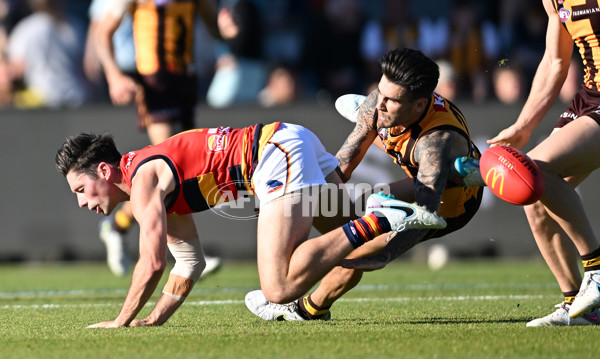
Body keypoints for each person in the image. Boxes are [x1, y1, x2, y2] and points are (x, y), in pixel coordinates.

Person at [55, 121, 445, 328]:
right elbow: (189, 263)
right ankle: (450, 174)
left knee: (277, 286)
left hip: (273, 155)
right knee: (354, 252)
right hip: (286, 141)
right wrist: (152, 320)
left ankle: (379, 217)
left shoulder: (141, 182)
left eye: (81, 189)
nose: (81, 202)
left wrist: (121, 321)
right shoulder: (150, 184)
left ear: (104, 170)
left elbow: (152, 262)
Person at [245, 48, 484, 321]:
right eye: (380, 92)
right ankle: (301, 298)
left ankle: (304, 309)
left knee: (357, 241)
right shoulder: (377, 104)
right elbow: (339, 170)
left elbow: (426, 217)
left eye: (391, 100)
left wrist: (387, 254)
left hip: (447, 204)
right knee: (348, 214)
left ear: (419, 105)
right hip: (420, 178)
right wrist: (282, 196)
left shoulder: (435, 143)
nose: (379, 103)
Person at [487, 0, 600, 326]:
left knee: (532, 169)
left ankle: (596, 268)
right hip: (589, 98)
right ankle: (580, 304)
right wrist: (523, 125)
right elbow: (554, 61)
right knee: (529, 190)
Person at [93, 0, 222, 277]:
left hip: (186, 82)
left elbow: (215, 26)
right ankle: (185, 254)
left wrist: (227, 27)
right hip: (155, 84)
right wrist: (114, 76)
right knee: (168, 168)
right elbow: (102, 33)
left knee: (185, 169)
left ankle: (117, 226)